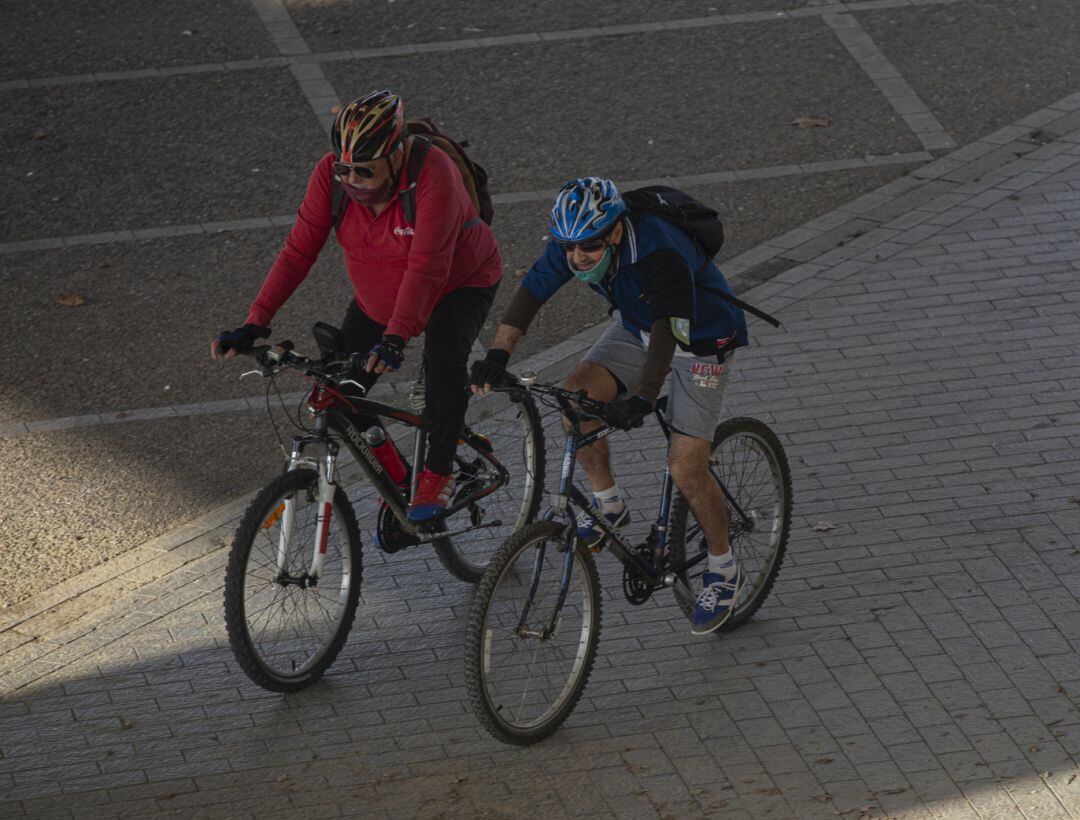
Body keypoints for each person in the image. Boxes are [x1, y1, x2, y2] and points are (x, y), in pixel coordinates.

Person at [471, 177, 748, 635]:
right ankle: (609, 504)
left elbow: (669, 330)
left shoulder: (659, 249)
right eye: (569, 248)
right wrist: (498, 354)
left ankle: (723, 568)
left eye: (590, 248)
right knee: (576, 396)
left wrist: (641, 398)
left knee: (685, 466)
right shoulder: (577, 245)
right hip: (637, 329)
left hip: (699, 341)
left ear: (616, 232)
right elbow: (532, 292)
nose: (578, 258)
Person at [212, 90, 502, 521]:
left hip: (459, 283)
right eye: (345, 168)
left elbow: (427, 270)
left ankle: (436, 476)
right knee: (339, 389)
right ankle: (399, 481)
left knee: (444, 359)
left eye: (364, 170)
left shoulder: (434, 174)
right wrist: (256, 322)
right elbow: (297, 253)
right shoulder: (330, 177)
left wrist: (396, 338)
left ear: (398, 152)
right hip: (379, 296)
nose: (351, 180)